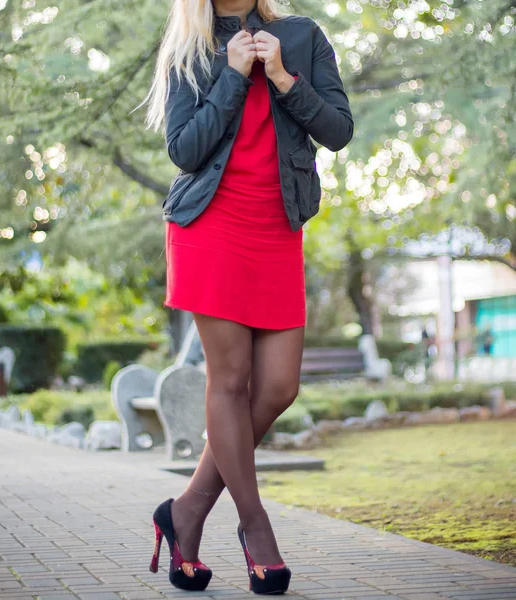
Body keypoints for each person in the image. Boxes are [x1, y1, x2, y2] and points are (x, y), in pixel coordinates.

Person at [137, 0, 353, 594]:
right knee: (229, 383)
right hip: (209, 225)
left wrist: (284, 78)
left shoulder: (303, 36)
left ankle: (185, 511)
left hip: (276, 226)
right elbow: (185, 150)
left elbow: (338, 130)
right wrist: (232, 75)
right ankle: (255, 528)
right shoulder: (190, 47)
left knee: (279, 386)